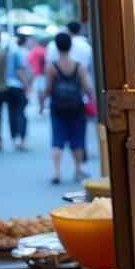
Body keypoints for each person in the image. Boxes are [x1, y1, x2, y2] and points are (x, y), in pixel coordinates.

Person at [43, 31, 90, 184]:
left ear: (56, 46)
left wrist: (41, 101)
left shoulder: (51, 66)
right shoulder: (79, 66)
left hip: (57, 107)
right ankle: (77, 169)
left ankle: (57, 171)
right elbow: (86, 88)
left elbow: (48, 89)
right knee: (77, 138)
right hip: (76, 107)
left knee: (57, 139)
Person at [5, 33, 30, 151]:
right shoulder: (18, 52)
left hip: (7, 85)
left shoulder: (7, 51)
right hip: (17, 85)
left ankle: (14, 137)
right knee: (20, 112)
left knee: (11, 112)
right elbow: (20, 71)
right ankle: (22, 139)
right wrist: (27, 86)